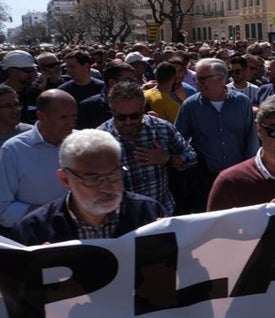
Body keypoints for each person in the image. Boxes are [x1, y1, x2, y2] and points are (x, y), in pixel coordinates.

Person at [8, 129, 164, 246]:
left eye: (114, 175)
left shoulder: (149, 214)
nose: (107, 187)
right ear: (65, 180)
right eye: (93, 179)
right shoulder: (34, 231)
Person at [99, 81, 198, 216]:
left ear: (143, 107)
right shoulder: (100, 139)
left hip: (162, 214)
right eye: (121, 117)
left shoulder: (161, 128)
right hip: (122, 222)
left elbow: (192, 157)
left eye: (134, 116)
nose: (128, 122)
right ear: (112, 110)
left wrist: (167, 159)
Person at [175, 57, 257, 212]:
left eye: (202, 79)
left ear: (220, 78)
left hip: (237, 177)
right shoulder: (190, 106)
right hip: (204, 180)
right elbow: (178, 139)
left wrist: (251, 172)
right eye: (196, 78)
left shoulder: (242, 103)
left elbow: (251, 140)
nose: (197, 83)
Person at [0, 89, 78, 233]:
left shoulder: (82, 143)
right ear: (41, 116)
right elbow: (4, 209)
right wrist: (51, 215)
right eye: (63, 117)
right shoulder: (13, 150)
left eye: (74, 116)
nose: (70, 123)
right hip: (35, 237)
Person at [77, 61, 136, 129]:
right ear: (112, 83)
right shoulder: (88, 108)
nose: (133, 84)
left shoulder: (139, 103)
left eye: (134, 80)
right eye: (128, 80)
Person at [2, 49, 39, 124]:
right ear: (13, 71)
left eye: (33, 70)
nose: (32, 74)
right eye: (27, 71)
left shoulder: (36, 93)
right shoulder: (1, 95)